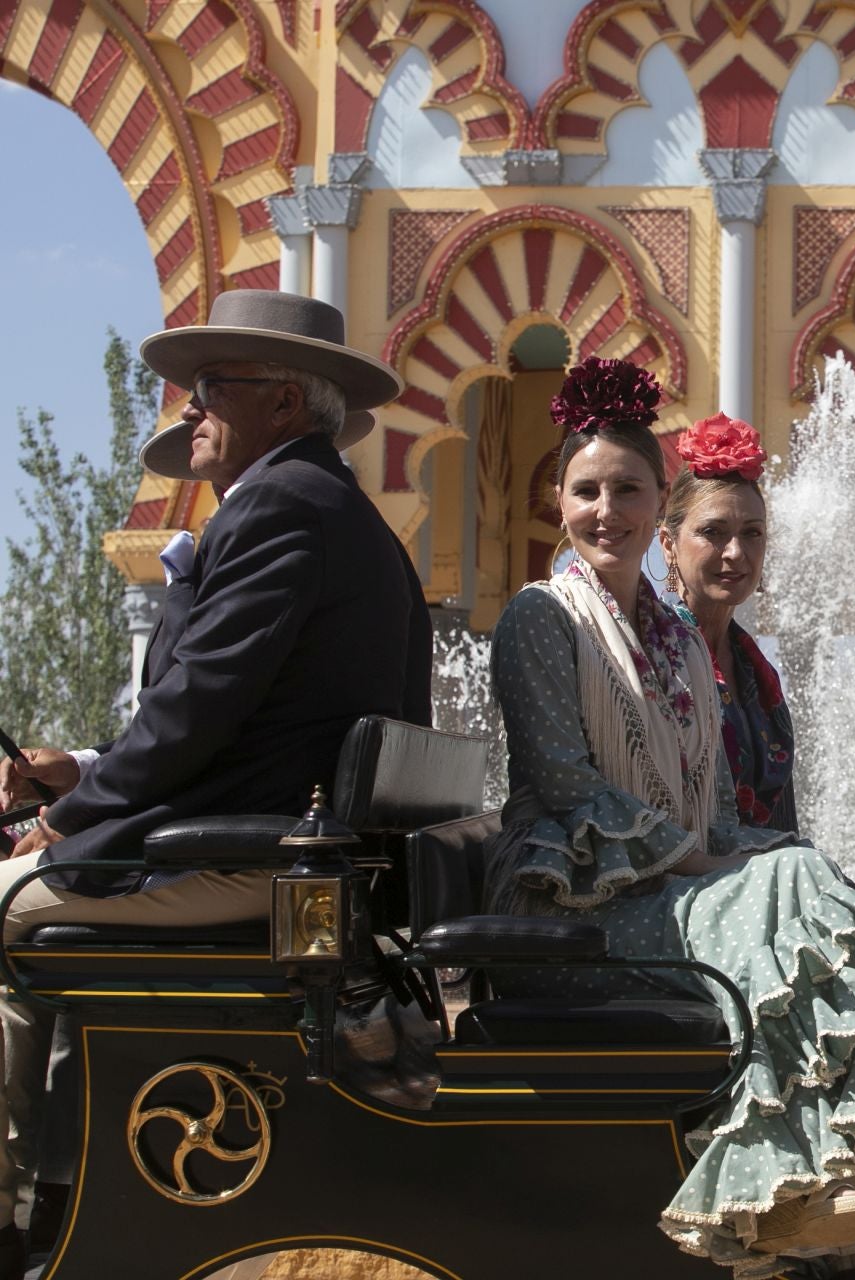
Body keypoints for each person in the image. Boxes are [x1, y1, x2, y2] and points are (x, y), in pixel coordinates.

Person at [481, 358, 855, 1276]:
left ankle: (831, 1176)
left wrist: (754, 857)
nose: (605, 510)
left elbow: (713, 812)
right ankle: (805, 1179)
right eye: (588, 490)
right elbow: (569, 785)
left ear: (653, 499)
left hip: (657, 894)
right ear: (560, 502)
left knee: (797, 869)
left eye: (626, 488)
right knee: (773, 885)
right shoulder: (541, 619)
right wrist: (696, 860)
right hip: (567, 908)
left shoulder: (668, 641)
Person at [0, 290, 428, 1279]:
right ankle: (60, 1188)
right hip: (282, 847)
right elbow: (237, 721)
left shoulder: (285, 506)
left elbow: (195, 714)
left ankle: (25, 1203)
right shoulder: (335, 511)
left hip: (255, 862)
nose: (187, 410)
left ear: (284, 401)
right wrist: (90, 769)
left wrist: (59, 822)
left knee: (4, 905)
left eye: (208, 390)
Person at [658, 415, 795, 832]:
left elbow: (784, 824)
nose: (736, 552)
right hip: (682, 882)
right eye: (713, 532)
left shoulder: (758, 673)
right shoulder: (652, 657)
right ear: (668, 545)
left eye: (752, 533)